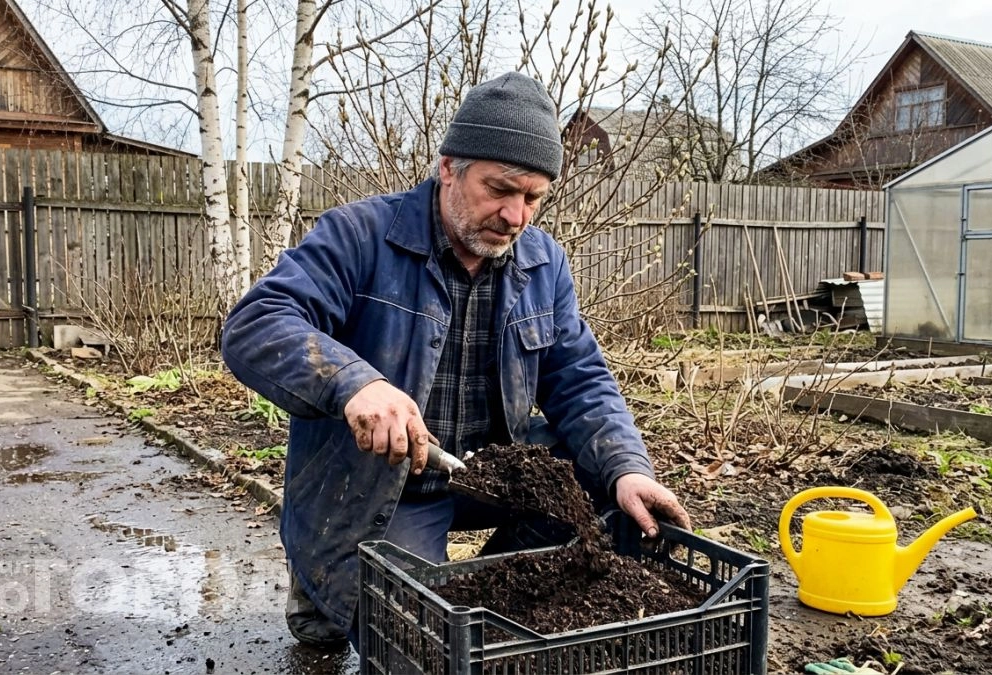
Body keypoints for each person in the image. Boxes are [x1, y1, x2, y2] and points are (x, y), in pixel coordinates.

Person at [220, 71, 692, 651]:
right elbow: (257, 322)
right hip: (383, 483)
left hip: (482, 471)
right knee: (411, 639)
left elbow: (580, 378)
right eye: (501, 189)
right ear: (449, 168)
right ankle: (324, 578)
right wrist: (354, 384)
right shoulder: (361, 236)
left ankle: (491, 593)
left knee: (598, 479)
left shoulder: (543, 264)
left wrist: (629, 468)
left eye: (534, 198)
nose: (517, 215)